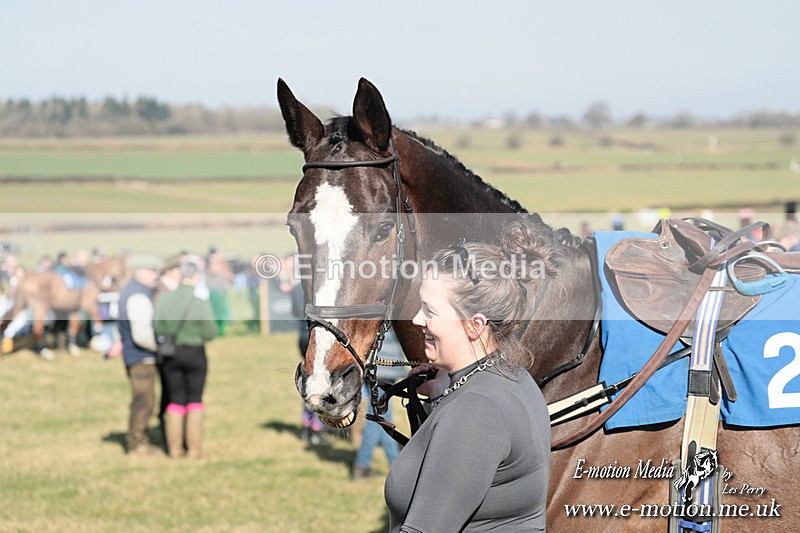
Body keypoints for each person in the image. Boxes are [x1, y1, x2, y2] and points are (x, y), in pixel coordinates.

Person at [384, 227, 551, 531]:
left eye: (430, 311)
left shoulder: (476, 410)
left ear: (475, 326)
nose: (417, 320)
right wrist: (444, 393)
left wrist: (456, 403)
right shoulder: (511, 376)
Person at [154, 257, 217, 458]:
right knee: (194, 400)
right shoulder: (199, 302)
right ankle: (194, 450)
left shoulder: (164, 299)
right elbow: (210, 332)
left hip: (171, 353)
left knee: (175, 400)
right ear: (196, 276)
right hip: (195, 354)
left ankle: (174, 449)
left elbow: (157, 327)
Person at [118, 254, 163, 456]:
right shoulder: (138, 296)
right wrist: (161, 347)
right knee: (144, 402)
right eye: (151, 270)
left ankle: (138, 440)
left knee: (143, 401)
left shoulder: (134, 291)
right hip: (141, 357)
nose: (155, 275)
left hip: (136, 356)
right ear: (139, 271)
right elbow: (142, 334)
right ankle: (137, 444)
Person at [351, 329, 404, 480]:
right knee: (378, 420)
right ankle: (366, 465)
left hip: (374, 363)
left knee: (381, 418)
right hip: (386, 365)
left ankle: (391, 465)